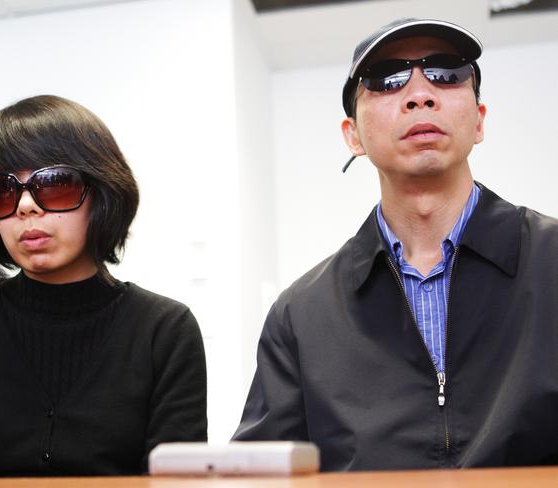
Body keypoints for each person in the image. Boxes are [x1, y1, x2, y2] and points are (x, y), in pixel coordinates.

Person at [234, 18, 558, 470]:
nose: (420, 94)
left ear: (479, 121)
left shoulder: (552, 262)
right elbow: (262, 471)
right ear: (353, 136)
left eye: (446, 73)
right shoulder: (301, 315)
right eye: (388, 81)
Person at [0, 95, 207, 477]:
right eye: (3, 190)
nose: (26, 206)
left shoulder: (164, 329)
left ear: (101, 194)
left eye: (54, 184)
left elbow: (176, 481)